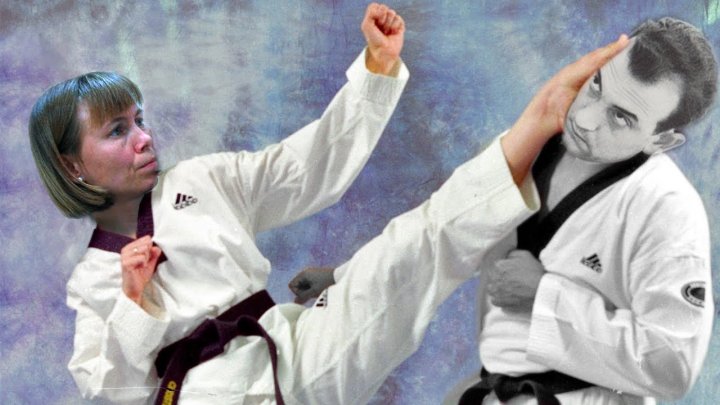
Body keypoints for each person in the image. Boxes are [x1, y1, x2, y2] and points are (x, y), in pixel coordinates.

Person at [29, 1, 629, 402]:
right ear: (71, 164)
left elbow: (309, 167)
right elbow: (113, 391)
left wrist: (375, 70)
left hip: (294, 347)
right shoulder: (93, 282)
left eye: (140, 119)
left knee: (413, 246)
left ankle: (539, 120)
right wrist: (133, 305)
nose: (143, 138)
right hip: (206, 395)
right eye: (116, 131)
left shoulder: (201, 180)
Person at [439, 17, 716, 405]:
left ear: (661, 140)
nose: (584, 119)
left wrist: (546, 297)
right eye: (596, 85)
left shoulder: (667, 206)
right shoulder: (524, 147)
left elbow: (673, 363)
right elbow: (438, 246)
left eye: (621, 117)